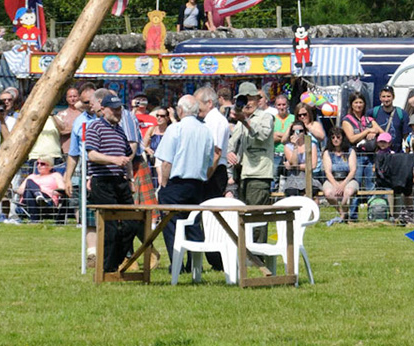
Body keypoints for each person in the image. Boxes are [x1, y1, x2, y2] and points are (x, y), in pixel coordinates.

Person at [153, 94, 218, 255]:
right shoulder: (206, 131)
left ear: (180, 110)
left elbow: (166, 162)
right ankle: (195, 263)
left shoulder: (175, 128)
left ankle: (177, 262)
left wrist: (164, 185)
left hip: (176, 183)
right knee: (193, 224)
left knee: (171, 225)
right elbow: (210, 161)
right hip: (197, 184)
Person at [83, 90, 138, 274]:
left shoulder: (120, 130)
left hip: (120, 181)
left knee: (132, 223)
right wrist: (113, 160)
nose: (117, 113)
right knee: (110, 228)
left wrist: (130, 179)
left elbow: (126, 158)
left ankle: (114, 261)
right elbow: (92, 155)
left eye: (119, 109)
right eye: (114, 110)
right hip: (103, 182)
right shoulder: (95, 127)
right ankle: (107, 269)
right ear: (104, 109)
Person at [229, 84, 278, 206]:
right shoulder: (240, 121)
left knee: (256, 214)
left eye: (250, 99)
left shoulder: (266, 117)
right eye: (244, 99)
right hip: (241, 175)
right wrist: (229, 152)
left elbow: (263, 134)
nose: (247, 103)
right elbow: (231, 143)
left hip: (259, 175)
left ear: (258, 99)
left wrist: (245, 120)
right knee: (242, 214)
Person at [318, 131, 357, 221]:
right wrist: (336, 185)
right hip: (332, 179)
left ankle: (344, 213)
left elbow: (353, 170)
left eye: (338, 137)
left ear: (343, 138)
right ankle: (342, 213)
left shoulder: (350, 151)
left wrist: (343, 185)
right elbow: (328, 172)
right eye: (333, 137)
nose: (335, 139)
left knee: (348, 192)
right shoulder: (327, 153)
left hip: (348, 179)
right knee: (328, 193)